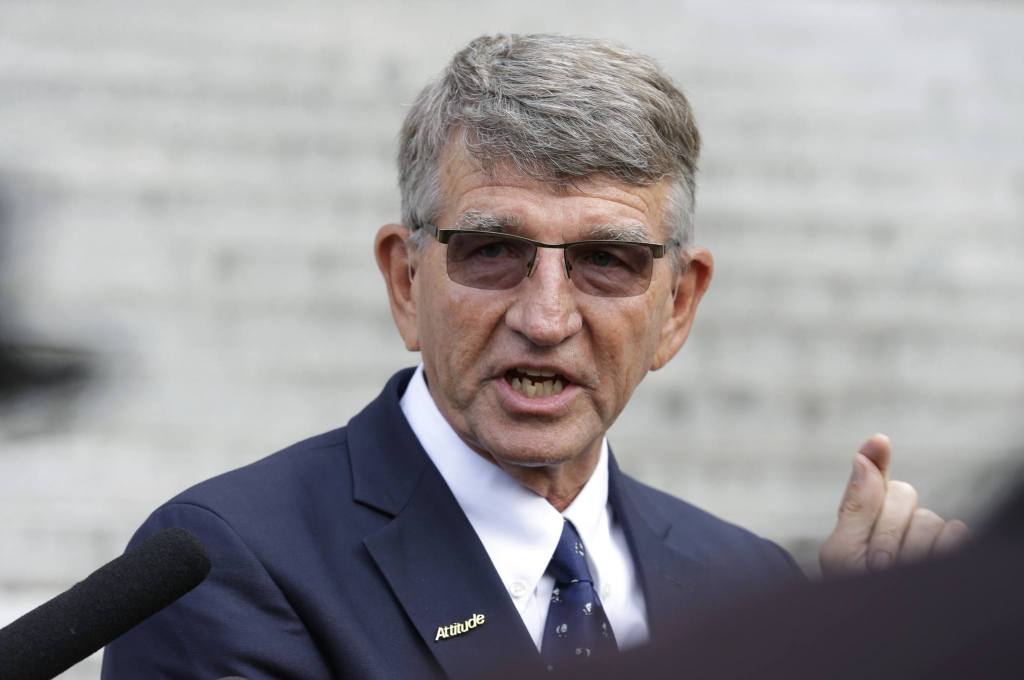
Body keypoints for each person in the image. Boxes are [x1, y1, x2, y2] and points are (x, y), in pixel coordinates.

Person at [101, 34, 966, 679]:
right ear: (406, 282)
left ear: (678, 306)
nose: (546, 319)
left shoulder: (751, 585)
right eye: (491, 251)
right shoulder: (228, 566)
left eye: (607, 260)